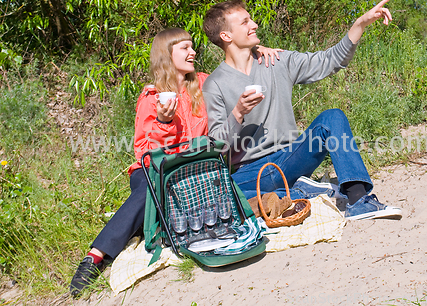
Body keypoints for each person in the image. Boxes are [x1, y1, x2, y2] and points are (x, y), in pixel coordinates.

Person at [69, 28, 280, 297]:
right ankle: (96, 256)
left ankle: (151, 225)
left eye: (193, 47)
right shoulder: (151, 98)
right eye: (185, 48)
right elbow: (144, 154)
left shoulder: (205, 84)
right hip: (155, 172)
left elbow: (238, 76)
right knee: (151, 187)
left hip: (196, 170)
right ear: (167, 56)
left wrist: (255, 52)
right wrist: (164, 123)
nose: (193, 52)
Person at [201, 0, 403, 221]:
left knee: (332, 118)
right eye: (245, 22)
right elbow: (217, 146)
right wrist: (238, 112)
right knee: (225, 196)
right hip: (250, 172)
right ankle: (304, 191)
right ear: (226, 36)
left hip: (290, 158)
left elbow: (331, 60)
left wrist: (360, 24)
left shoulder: (277, 61)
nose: (254, 24)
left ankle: (358, 200)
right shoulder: (214, 84)